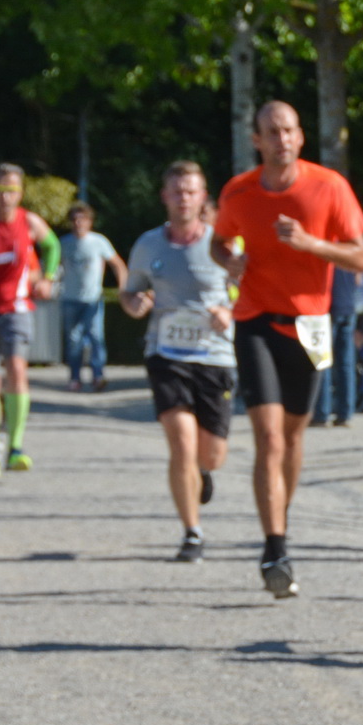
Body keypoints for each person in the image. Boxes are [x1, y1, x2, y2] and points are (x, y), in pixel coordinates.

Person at [211, 100, 363, 599]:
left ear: (300, 137)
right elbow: (219, 243)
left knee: (295, 438)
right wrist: (229, 262)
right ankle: (274, 545)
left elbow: (360, 257)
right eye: (271, 132)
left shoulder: (329, 186)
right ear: (256, 140)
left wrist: (310, 244)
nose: (281, 138)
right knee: (269, 436)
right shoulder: (238, 191)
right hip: (255, 319)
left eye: (289, 130)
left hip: (310, 325)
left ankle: (281, 516)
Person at [121, 162, 236, 563]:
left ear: (203, 197)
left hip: (215, 356)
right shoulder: (149, 245)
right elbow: (131, 292)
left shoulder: (223, 246)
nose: (184, 198)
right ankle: (192, 532)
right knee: (181, 442)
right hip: (166, 354)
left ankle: (202, 474)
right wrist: (136, 304)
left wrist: (228, 310)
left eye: (191, 191)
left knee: (210, 455)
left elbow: (248, 289)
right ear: (165, 197)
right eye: (176, 191)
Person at [0, 163, 60, 477]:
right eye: (1, 190)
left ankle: (16, 446)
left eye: (12, 191)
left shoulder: (30, 222)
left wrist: (47, 277)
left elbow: (52, 246)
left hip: (17, 308)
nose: (6, 198)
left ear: (21, 192)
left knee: (17, 369)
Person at [58, 201, 127, 392]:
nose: (78, 223)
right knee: (73, 340)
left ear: (90, 221)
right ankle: (75, 377)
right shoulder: (63, 243)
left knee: (96, 337)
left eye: (83, 219)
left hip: (93, 299)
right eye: (74, 219)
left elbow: (117, 264)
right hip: (69, 299)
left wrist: (123, 288)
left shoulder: (99, 242)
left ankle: (98, 376)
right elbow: (49, 265)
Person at [313, 238, 363, 426]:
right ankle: (345, 413)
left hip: (329, 307)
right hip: (349, 306)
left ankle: (321, 413)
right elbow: (360, 278)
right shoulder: (354, 250)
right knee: (346, 362)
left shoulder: (325, 247)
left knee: (324, 361)